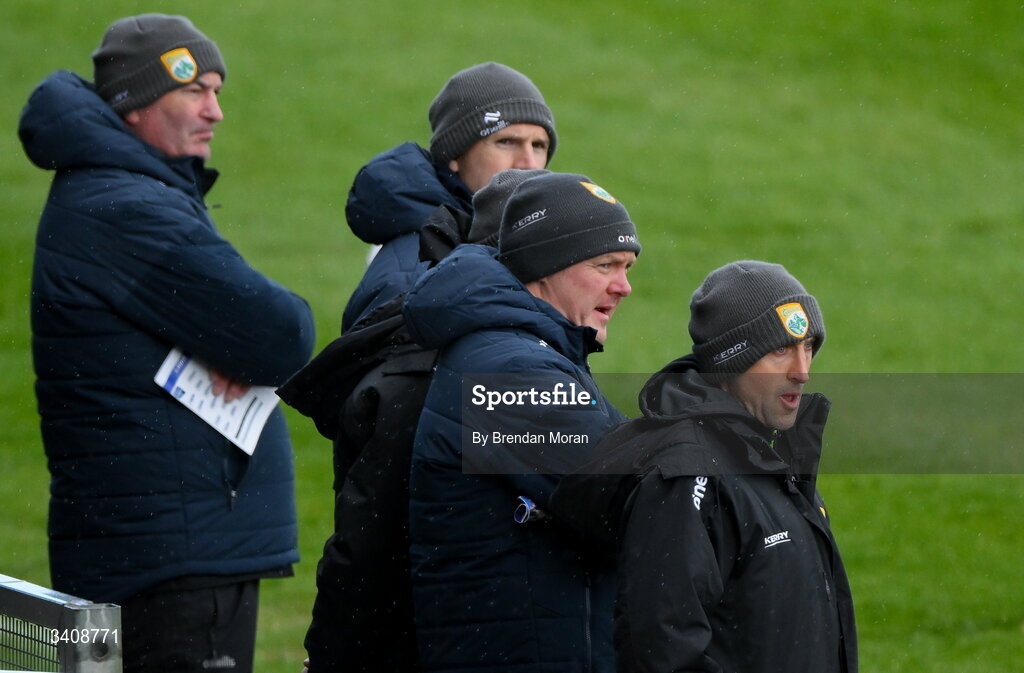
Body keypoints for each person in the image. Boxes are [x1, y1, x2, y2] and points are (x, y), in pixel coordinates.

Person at [18, 14, 315, 673]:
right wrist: (236, 345)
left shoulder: (115, 191)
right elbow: (281, 332)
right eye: (195, 92)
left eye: (217, 90)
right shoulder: (127, 207)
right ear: (133, 106)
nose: (216, 111)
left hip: (152, 547)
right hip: (173, 563)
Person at [278, 167, 550, 673]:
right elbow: (369, 550)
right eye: (597, 262)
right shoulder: (468, 368)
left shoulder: (502, 344)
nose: (618, 285)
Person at [551, 261, 858, 673]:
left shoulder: (768, 457)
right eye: (779, 350)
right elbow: (662, 653)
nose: (802, 371)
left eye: (809, 346)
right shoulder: (685, 478)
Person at [401, 171, 641, 673]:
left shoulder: (530, 350)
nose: (624, 287)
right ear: (544, 265)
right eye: (605, 266)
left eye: (627, 267)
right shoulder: (508, 371)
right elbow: (631, 497)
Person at [341, 61, 557, 331]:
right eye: (506, 141)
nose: (528, 163)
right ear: (454, 155)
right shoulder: (417, 268)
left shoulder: (517, 245)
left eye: (538, 145)